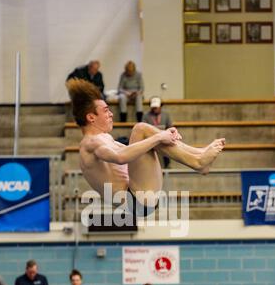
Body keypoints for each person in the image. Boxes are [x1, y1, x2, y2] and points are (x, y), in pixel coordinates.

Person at [65, 79, 225, 217]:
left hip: (139, 195)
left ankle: (199, 156)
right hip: (136, 200)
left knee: (146, 134)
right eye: (106, 111)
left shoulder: (103, 138)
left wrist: (162, 136)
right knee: (141, 129)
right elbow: (121, 157)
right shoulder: (90, 144)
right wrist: (159, 136)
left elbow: (137, 149)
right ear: (91, 117)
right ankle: (198, 161)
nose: (111, 114)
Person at [143, 97, 173, 168]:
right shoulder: (146, 116)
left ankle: (167, 165)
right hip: (150, 138)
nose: (155, 109)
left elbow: (170, 126)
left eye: (156, 107)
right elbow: (143, 128)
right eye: (153, 107)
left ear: (160, 107)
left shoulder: (166, 115)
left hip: (164, 138)